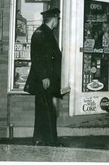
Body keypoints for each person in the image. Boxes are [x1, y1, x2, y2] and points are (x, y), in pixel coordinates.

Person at [24, 8, 63, 146]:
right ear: (54, 19)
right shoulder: (41, 34)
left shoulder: (46, 33)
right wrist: (44, 77)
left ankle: (39, 139)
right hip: (44, 80)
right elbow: (37, 58)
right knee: (47, 110)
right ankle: (50, 141)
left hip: (47, 79)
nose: (58, 21)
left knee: (44, 109)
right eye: (58, 19)